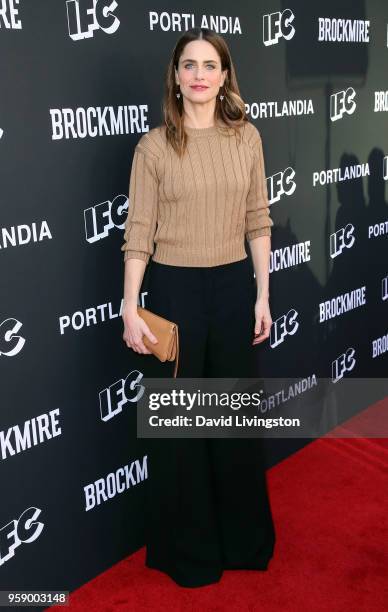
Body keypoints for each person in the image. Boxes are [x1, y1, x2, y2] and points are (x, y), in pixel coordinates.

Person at [121, 27, 276, 588]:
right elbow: (139, 231)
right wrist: (129, 304)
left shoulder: (247, 139)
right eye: (190, 65)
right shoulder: (154, 147)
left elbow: (257, 218)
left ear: (226, 75)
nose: (201, 75)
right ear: (176, 77)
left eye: (211, 64)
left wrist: (262, 293)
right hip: (174, 292)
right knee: (182, 431)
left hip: (235, 286)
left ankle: (241, 541)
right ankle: (189, 553)